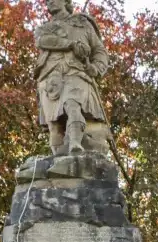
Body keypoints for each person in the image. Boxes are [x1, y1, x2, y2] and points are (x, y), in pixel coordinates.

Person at [34, 0, 109, 155]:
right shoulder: (44, 29)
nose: (50, 2)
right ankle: (58, 157)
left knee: (72, 105)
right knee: (54, 124)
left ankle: (75, 144)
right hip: (49, 78)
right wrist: (71, 44)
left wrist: (95, 68)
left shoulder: (83, 24)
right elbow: (42, 41)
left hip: (76, 73)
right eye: (48, 1)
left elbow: (99, 51)